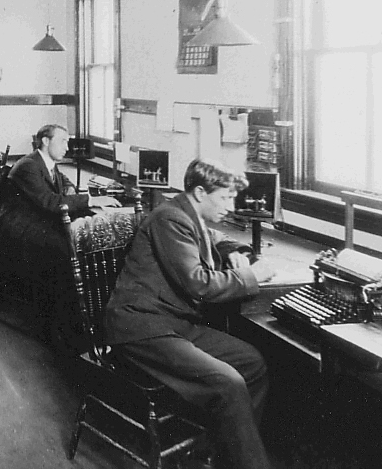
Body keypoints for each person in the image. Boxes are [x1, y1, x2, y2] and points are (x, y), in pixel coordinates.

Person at [104, 158, 277, 469]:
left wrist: (238, 252)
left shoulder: (186, 214)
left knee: (253, 364)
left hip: (172, 322)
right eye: (225, 197)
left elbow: (214, 240)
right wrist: (254, 275)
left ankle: (224, 453)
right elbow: (198, 284)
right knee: (228, 382)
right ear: (200, 192)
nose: (231, 205)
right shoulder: (169, 219)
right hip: (140, 326)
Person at [0, 124, 119, 327]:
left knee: (86, 238)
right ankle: (65, 317)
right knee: (67, 248)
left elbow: (62, 182)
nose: (67, 147)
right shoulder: (28, 165)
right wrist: (91, 200)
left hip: (40, 219)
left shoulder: (47, 162)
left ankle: (85, 309)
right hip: (19, 226)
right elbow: (49, 201)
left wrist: (69, 188)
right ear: (45, 141)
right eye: (63, 141)